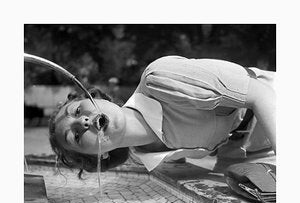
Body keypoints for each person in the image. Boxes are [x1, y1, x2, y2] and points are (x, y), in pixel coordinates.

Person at [49, 56, 276, 177]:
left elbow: (260, 94)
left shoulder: (160, 79)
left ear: (99, 98)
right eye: (76, 137)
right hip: (250, 147)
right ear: (101, 155)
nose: (82, 121)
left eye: (77, 111)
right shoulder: (145, 154)